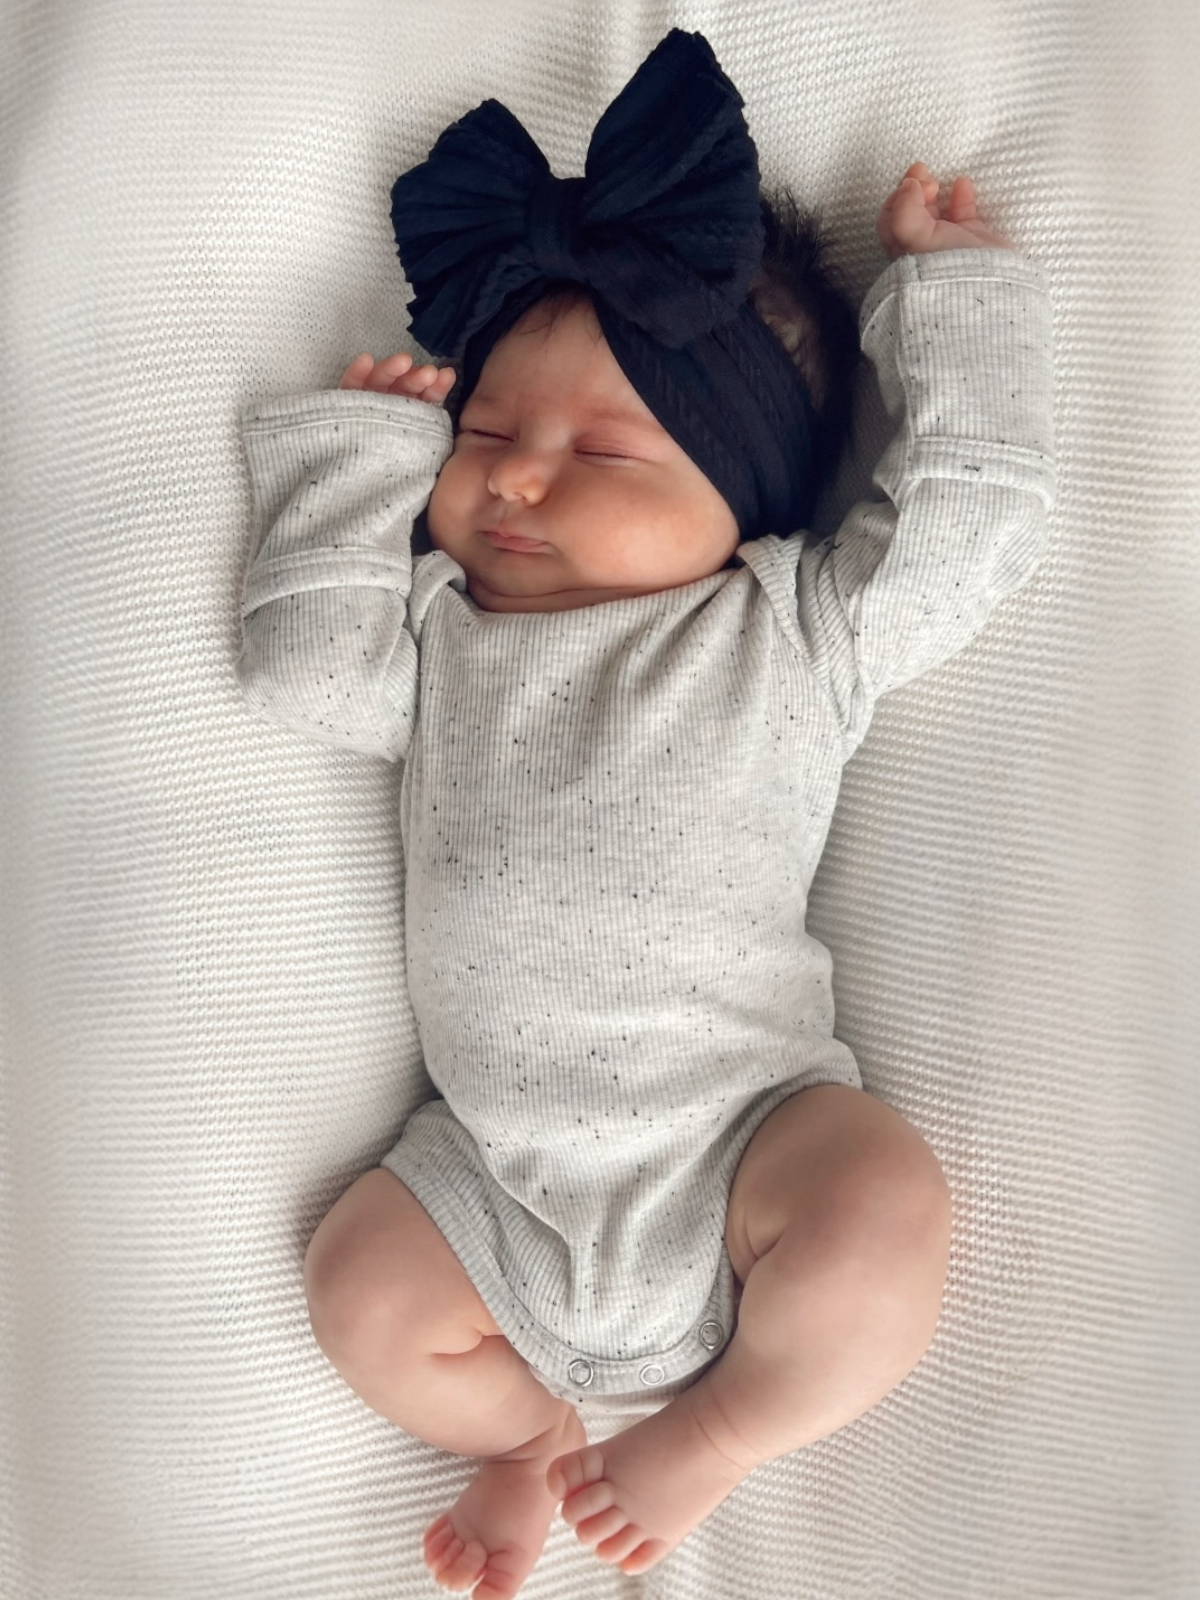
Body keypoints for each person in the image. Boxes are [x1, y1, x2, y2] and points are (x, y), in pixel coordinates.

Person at [235, 29, 1054, 1600]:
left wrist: (951, 303)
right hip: (488, 1177)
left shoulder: (789, 628)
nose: (515, 483)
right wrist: (364, 459)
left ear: (741, 492)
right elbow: (299, 669)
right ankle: (522, 1430)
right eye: (483, 439)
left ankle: (728, 1428)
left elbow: (974, 526)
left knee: (883, 1210)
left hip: (748, 1139)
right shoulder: (441, 640)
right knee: (356, 1288)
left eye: (598, 449)